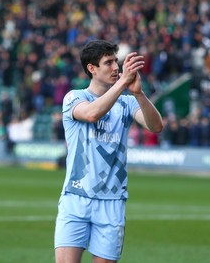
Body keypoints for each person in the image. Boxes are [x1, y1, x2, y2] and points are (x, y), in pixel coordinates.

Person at [54, 40, 163, 263]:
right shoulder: (75, 97)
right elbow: (92, 114)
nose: (116, 67)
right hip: (76, 198)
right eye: (108, 62)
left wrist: (139, 94)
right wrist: (123, 83)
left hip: (112, 202)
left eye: (116, 61)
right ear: (92, 69)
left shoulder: (127, 103)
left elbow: (156, 126)